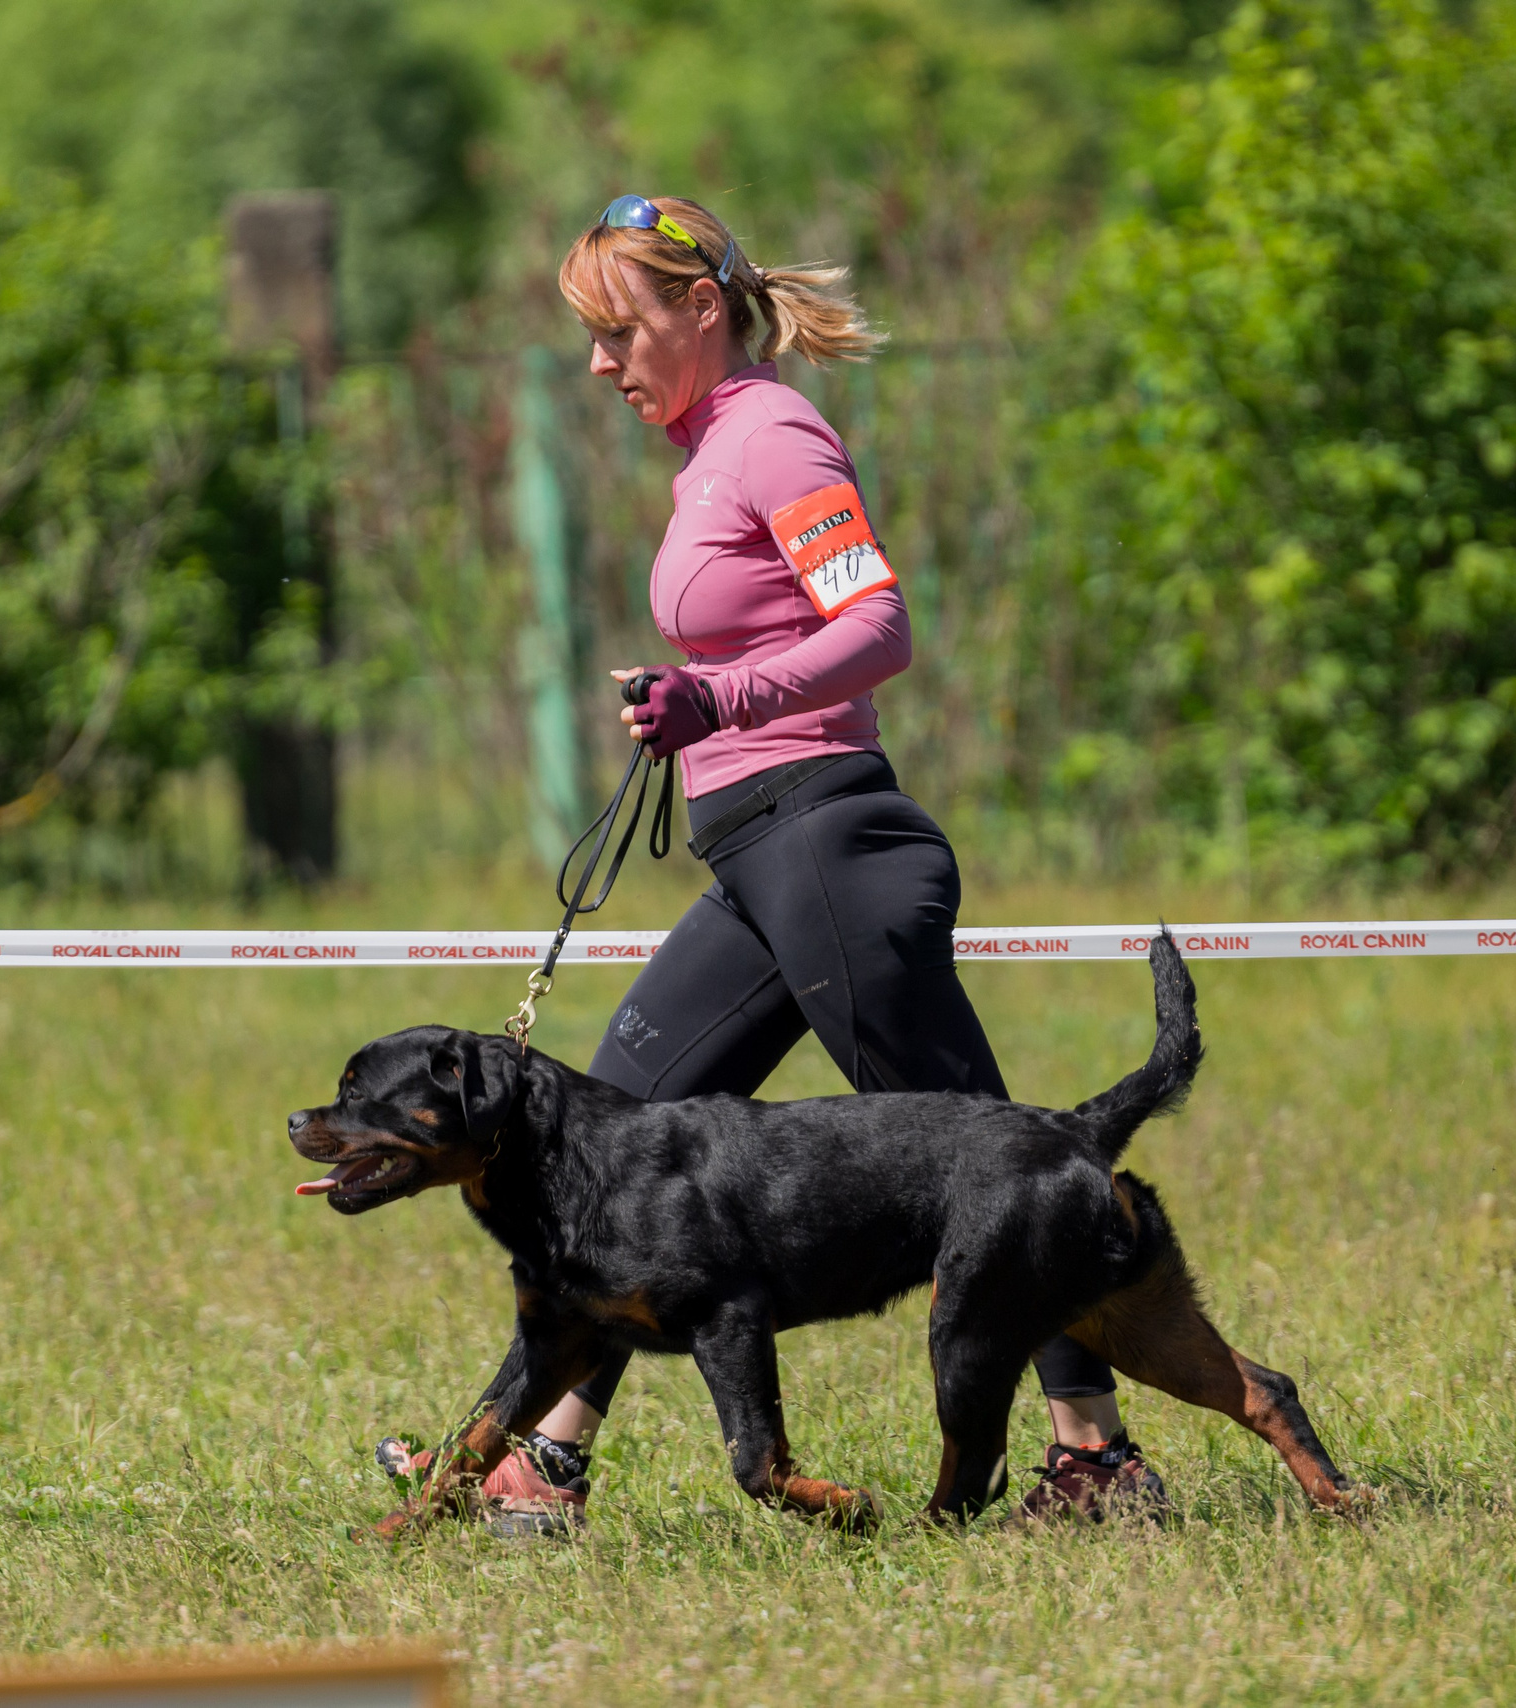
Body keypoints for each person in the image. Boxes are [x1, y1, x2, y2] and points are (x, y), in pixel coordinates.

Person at [469, 195, 1168, 1536]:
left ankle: (1099, 1459)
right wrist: (701, 706)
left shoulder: (774, 435)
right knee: (612, 1138)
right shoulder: (714, 449)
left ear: (700, 309)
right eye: (589, 340)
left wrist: (719, 704)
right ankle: (545, 1461)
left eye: (619, 333)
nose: (602, 366)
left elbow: (880, 623)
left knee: (998, 1175)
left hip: (828, 848)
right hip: (761, 860)